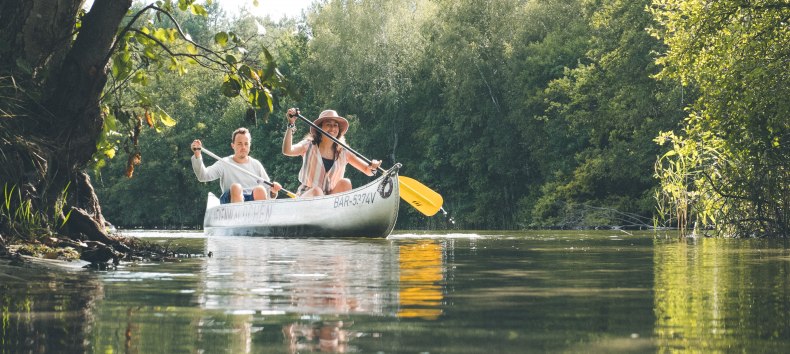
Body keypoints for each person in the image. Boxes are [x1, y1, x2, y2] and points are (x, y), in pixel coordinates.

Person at [282, 108, 381, 197]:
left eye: (335, 125)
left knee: (345, 183)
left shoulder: (344, 151)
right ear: (319, 128)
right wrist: (291, 125)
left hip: (330, 200)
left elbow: (367, 170)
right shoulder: (308, 145)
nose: (333, 129)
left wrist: (373, 167)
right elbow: (287, 150)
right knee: (317, 191)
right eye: (328, 124)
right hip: (308, 196)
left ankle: (339, 215)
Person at [191, 127, 282, 203]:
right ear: (233, 145)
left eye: (246, 144)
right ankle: (237, 222)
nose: (243, 147)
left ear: (250, 145)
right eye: (239, 144)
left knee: (260, 190)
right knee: (236, 187)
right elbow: (203, 176)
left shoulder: (256, 164)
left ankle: (260, 222)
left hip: (252, 202)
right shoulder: (224, 163)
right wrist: (197, 155)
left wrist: (273, 191)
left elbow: (269, 193)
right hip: (230, 201)